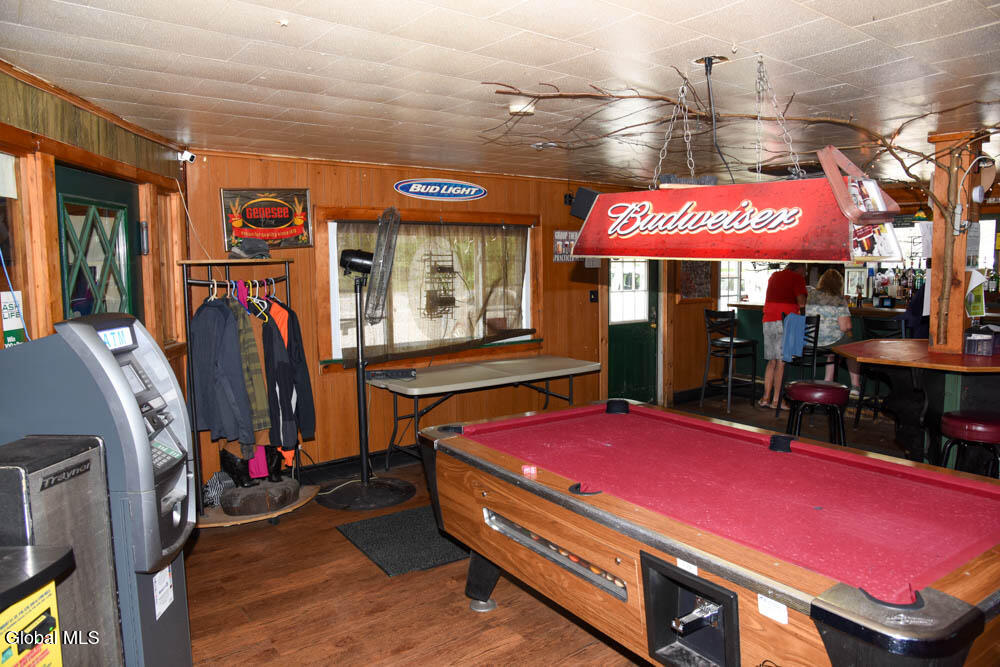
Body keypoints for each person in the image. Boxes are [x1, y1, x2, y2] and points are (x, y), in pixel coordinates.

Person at [760, 263, 807, 409]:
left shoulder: (774, 275)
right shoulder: (797, 278)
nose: (805, 273)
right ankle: (777, 401)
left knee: (771, 361)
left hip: (768, 319)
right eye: (804, 270)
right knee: (781, 362)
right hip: (787, 320)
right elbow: (801, 303)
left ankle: (765, 398)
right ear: (800, 268)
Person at [805, 269, 861, 390]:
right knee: (852, 349)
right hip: (830, 342)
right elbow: (845, 326)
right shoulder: (839, 299)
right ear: (839, 284)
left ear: (822, 281)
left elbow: (806, 288)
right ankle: (855, 386)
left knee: (835, 349)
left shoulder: (811, 295)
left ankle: (828, 380)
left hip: (810, 341)